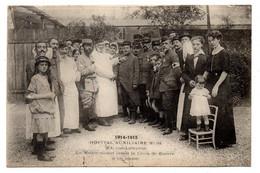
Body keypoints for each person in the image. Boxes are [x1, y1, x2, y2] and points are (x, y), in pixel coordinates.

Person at [203, 30, 236, 149]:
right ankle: (213, 137)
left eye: (213, 40)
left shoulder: (223, 53)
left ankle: (224, 140)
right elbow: (207, 70)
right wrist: (201, 81)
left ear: (219, 39)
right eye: (209, 41)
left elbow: (225, 71)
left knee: (222, 110)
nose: (211, 43)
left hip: (221, 84)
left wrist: (216, 86)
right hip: (211, 83)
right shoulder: (211, 53)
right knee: (211, 108)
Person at [26, 56, 56, 161]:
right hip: (39, 107)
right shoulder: (35, 78)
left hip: (46, 107)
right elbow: (30, 95)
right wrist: (47, 95)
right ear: (37, 67)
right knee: (40, 131)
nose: (44, 67)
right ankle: (41, 154)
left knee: (44, 129)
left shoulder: (46, 77)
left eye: (46, 65)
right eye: (41, 65)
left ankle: (39, 149)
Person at [179, 36, 207, 140]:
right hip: (189, 87)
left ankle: (201, 131)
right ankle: (186, 132)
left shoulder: (205, 58)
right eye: (193, 44)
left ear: (202, 45)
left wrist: (199, 83)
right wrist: (188, 80)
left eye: (197, 44)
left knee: (200, 109)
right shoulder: (189, 57)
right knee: (187, 109)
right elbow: (184, 73)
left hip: (200, 88)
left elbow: (206, 74)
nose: (195, 46)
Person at [92, 42, 119, 126]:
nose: (101, 47)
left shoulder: (105, 54)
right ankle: (101, 118)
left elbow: (109, 63)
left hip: (109, 80)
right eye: (99, 46)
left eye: (102, 46)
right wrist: (110, 75)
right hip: (101, 79)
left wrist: (117, 60)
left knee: (109, 98)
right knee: (101, 99)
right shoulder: (94, 55)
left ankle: (108, 116)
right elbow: (97, 68)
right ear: (96, 46)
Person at [159, 36, 181, 135]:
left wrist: (170, 81)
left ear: (171, 44)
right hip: (164, 83)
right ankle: (170, 124)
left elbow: (176, 70)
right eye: (163, 44)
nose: (164, 45)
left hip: (169, 84)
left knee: (167, 105)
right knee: (167, 105)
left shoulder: (173, 55)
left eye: (166, 43)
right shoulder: (165, 55)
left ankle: (169, 127)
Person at [59, 43, 81, 134]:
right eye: (62, 49)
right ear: (59, 50)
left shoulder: (71, 60)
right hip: (64, 86)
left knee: (74, 105)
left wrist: (77, 76)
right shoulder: (58, 61)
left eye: (66, 50)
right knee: (66, 106)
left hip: (72, 85)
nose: (65, 51)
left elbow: (76, 71)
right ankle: (66, 126)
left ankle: (75, 126)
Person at [116, 41, 140, 124]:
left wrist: (135, 82)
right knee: (124, 100)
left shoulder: (134, 58)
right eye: (123, 48)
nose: (125, 50)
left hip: (130, 82)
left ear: (131, 49)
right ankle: (126, 115)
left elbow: (137, 71)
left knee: (132, 100)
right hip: (122, 82)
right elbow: (118, 70)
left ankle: (133, 116)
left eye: (127, 48)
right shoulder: (120, 58)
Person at [77, 39, 99, 131]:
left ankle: (91, 120)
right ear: (83, 47)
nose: (89, 47)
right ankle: (86, 123)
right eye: (87, 45)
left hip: (93, 82)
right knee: (86, 102)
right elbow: (81, 72)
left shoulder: (91, 57)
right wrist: (92, 68)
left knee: (92, 102)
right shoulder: (80, 58)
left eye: (90, 45)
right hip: (85, 82)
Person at [138, 36, 157, 123]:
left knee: (150, 98)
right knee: (142, 98)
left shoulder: (154, 53)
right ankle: (144, 115)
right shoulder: (140, 53)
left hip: (150, 78)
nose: (145, 45)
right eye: (144, 43)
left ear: (150, 43)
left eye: (147, 43)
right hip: (141, 79)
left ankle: (152, 117)